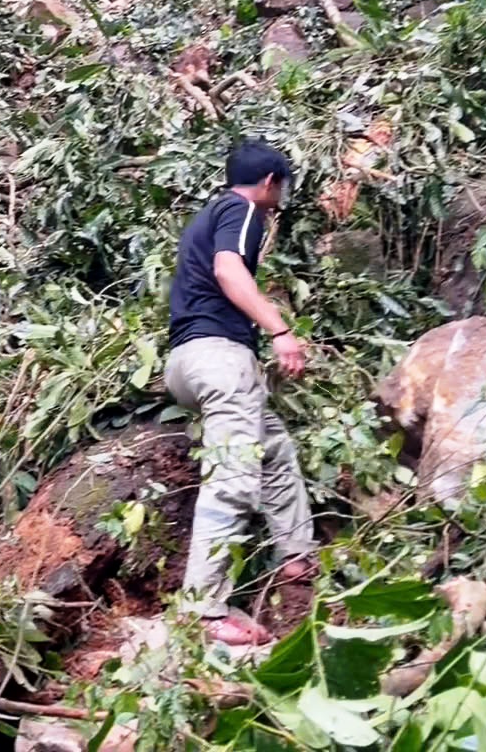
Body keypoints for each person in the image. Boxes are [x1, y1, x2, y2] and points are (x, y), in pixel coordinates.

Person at [163, 139, 317, 646]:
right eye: (283, 186)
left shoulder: (207, 214)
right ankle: (204, 611)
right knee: (234, 477)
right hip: (219, 358)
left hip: (188, 364)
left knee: (272, 448)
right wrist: (279, 330)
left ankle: (297, 557)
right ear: (271, 182)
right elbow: (230, 271)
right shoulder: (243, 209)